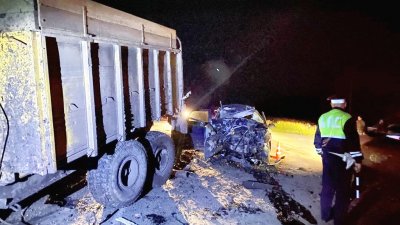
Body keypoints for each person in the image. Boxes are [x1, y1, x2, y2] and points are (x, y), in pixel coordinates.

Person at [314, 96, 363, 225]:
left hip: (328, 158)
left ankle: (325, 216)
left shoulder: (323, 117)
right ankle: (339, 220)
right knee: (342, 191)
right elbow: (353, 142)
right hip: (343, 160)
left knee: (327, 187)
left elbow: (317, 140)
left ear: (331, 105)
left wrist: (322, 154)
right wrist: (358, 161)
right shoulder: (347, 118)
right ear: (344, 104)